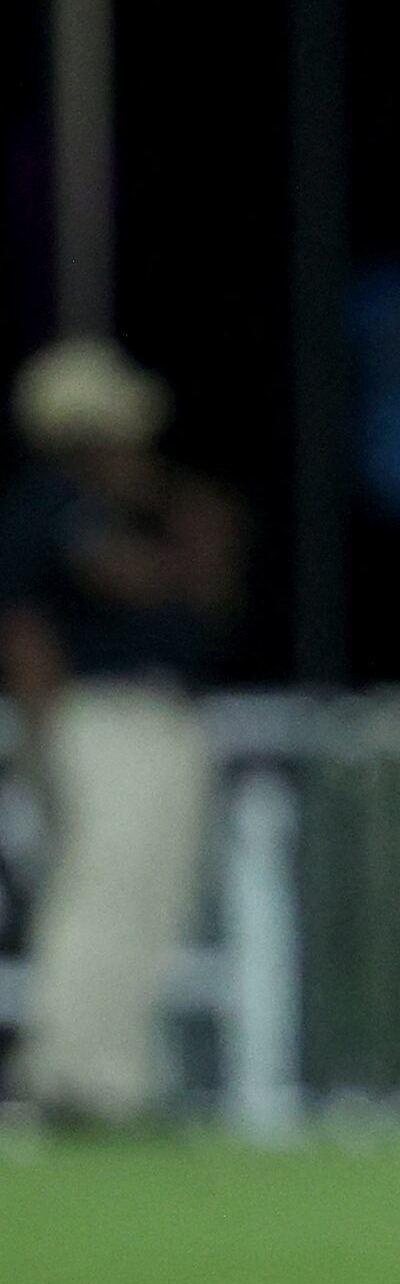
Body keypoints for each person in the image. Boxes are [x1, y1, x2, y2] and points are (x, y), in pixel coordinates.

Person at [0, 340, 244, 1126]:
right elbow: (100, 592)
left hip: (160, 712)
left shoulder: (124, 508)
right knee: (96, 891)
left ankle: (117, 1078)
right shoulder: (52, 505)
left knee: (152, 897)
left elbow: (208, 595)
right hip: (97, 720)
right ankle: (61, 1075)